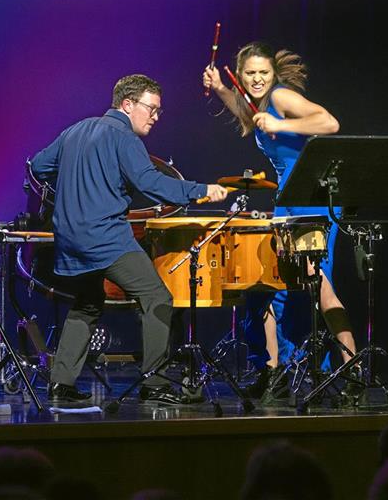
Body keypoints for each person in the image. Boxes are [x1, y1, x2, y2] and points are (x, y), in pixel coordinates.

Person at [31, 74, 228, 404]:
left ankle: (60, 384)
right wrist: (200, 190)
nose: (155, 117)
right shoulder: (123, 137)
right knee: (158, 299)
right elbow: (150, 183)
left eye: (158, 111)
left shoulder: (74, 131)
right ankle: (155, 383)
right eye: (151, 109)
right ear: (127, 104)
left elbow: (38, 166)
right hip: (105, 237)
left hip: (69, 238)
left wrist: (74, 180)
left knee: (88, 303)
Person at [203, 42, 359, 403]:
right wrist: (222, 90)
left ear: (273, 74)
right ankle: (275, 371)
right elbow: (248, 116)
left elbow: (329, 122)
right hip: (286, 204)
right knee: (271, 287)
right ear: (241, 75)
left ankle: (353, 371)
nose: (257, 79)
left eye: (263, 73)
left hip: (311, 203)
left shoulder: (282, 97)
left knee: (319, 286)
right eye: (250, 73)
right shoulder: (257, 104)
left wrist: (281, 121)